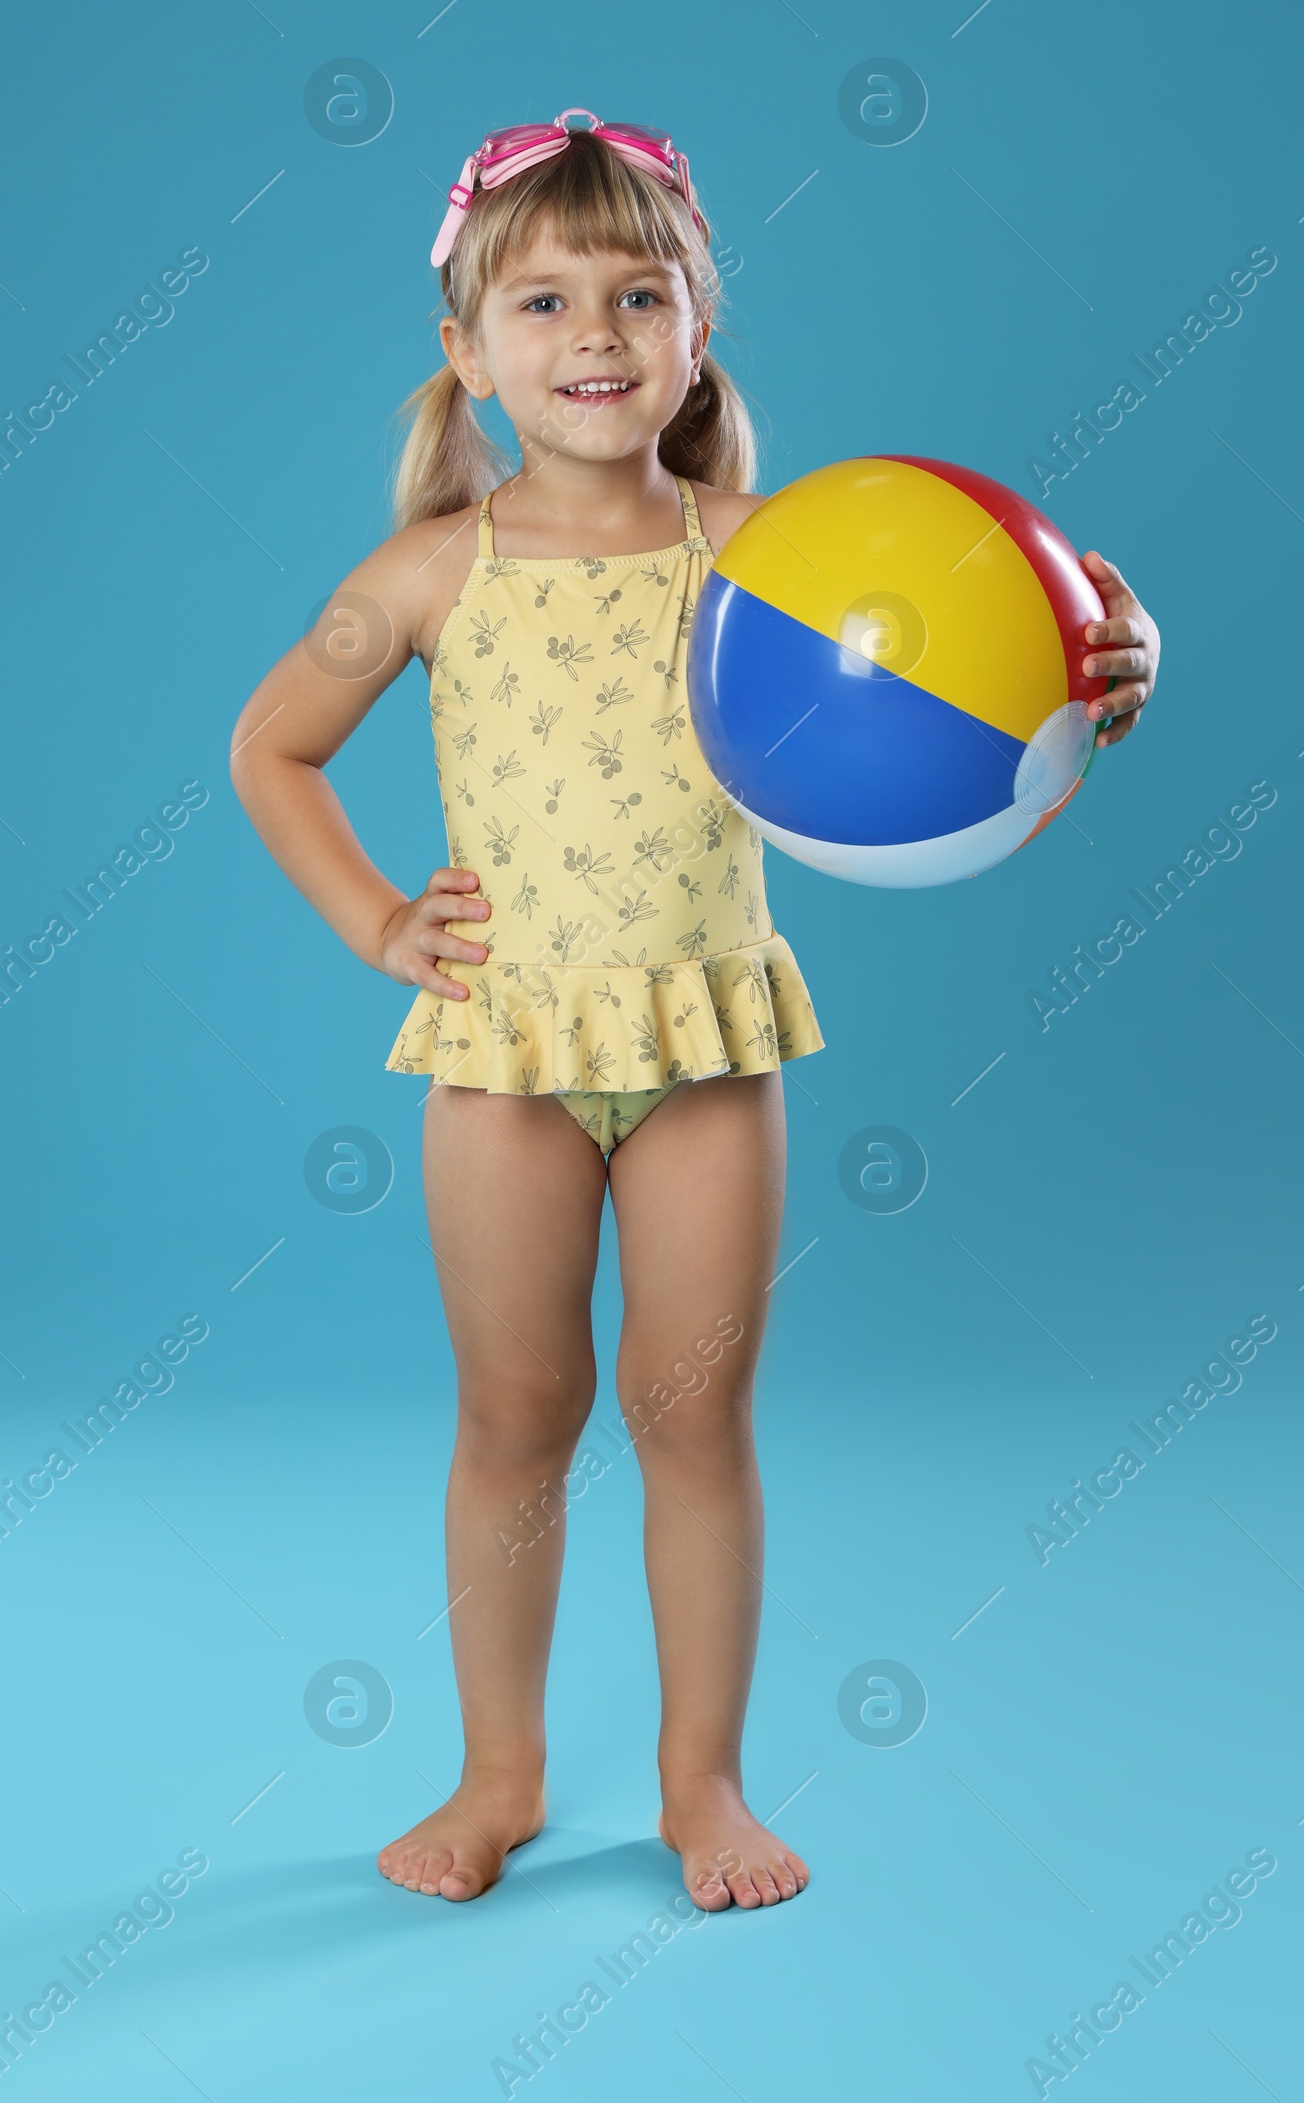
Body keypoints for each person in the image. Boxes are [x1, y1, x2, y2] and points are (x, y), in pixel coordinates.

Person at [230, 110, 1160, 1910]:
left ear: (698, 327)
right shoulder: (430, 570)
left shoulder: (769, 552)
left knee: (691, 1415)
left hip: (708, 1049)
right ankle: (499, 1775)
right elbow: (273, 747)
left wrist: (1124, 639)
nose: (595, 336)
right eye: (547, 301)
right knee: (513, 1412)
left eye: (638, 295)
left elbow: (1010, 617)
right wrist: (373, 922)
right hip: (503, 1052)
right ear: (467, 350)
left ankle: (700, 1785)